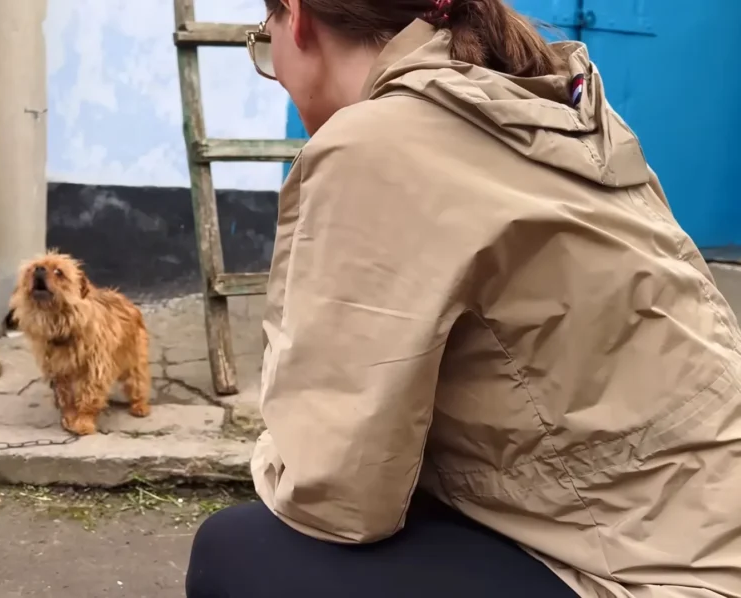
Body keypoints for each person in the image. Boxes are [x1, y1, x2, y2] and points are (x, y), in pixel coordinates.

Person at [185, 0, 741, 597]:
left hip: (651, 575)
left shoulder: (376, 144)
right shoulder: (551, 105)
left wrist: (281, 446)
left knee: (237, 554)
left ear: (295, 18)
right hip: (705, 530)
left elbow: (336, 496)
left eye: (264, 47)